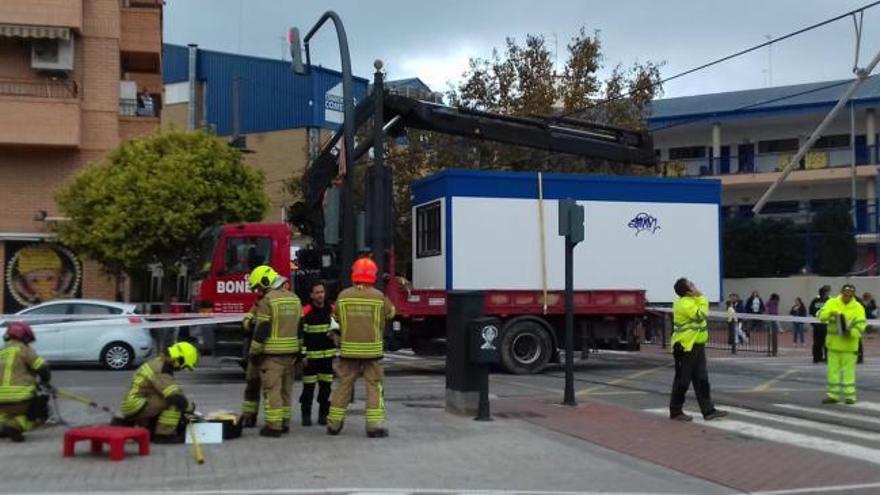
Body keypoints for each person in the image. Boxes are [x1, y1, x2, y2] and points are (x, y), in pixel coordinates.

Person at [326, 258, 396, 437]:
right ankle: (373, 426)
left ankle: (334, 424)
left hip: (348, 350)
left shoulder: (343, 295)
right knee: (374, 386)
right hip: (372, 351)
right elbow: (391, 313)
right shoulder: (378, 296)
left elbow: (335, 319)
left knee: (343, 385)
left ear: (354, 274)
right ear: (373, 275)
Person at [247, 265, 302, 437]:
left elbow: (262, 328)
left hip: (271, 355)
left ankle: (273, 426)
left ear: (265, 281)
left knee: (272, 391)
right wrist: (299, 351)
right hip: (291, 354)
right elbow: (300, 328)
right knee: (286, 390)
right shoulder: (295, 299)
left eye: (258, 287)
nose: (258, 291)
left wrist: (254, 352)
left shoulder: (267, 300)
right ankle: (285, 422)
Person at [116, 341, 199, 444]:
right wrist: (190, 408)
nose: (181, 369)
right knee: (175, 402)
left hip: (135, 403)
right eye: (184, 366)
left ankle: (150, 429)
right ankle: (164, 435)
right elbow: (175, 396)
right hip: (138, 404)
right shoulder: (161, 369)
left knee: (171, 398)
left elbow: (166, 389)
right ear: (179, 360)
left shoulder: (158, 361)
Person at [668, 278, 726, 422]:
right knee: (682, 380)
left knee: (702, 379)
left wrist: (699, 299)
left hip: (697, 345)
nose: (695, 286)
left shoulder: (691, 301)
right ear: (688, 291)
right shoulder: (684, 303)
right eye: (692, 285)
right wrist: (702, 297)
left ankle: (708, 410)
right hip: (685, 346)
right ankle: (675, 411)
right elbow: (701, 315)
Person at [0, 322, 51, 442]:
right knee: (39, 412)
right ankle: (16, 426)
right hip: (21, 398)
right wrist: (44, 382)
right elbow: (42, 368)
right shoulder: (24, 349)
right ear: (24, 336)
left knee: (4, 413)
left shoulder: (1, 351)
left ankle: (3, 427)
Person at [817, 284, 866, 405]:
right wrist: (830, 314)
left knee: (848, 372)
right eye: (845, 294)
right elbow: (820, 315)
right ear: (841, 292)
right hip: (833, 345)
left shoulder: (858, 307)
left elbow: (861, 326)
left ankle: (850, 396)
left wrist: (851, 332)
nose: (847, 296)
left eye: (850, 295)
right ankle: (833, 395)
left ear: (853, 295)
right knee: (833, 372)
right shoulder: (832, 302)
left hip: (849, 346)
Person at [298, 281, 337, 426]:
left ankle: (323, 415)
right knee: (308, 390)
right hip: (311, 359)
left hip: (327, 358)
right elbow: (301, 336)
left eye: (322, 292)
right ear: (311, 295)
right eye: (317, 292)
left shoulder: (331, 309)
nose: (320, 295)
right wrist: (303, 355)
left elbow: (338, 328)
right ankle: (306, 416)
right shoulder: (306, 311)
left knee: (325, 390)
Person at [239, 297, 263, 428]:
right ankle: (249, 416)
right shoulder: (259, 303)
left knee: (266, 387)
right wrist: (248, 323)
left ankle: (273, 420)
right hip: (256, 351)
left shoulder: (268, 302)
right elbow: (247, 322)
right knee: (252, 385)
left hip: (265, 351)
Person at [809, 285, 831, 363]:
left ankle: (827, 358)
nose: (828, 293)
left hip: (827, 325)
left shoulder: (830, 301)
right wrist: (813, 323)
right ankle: (817, 357)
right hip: (817, 326)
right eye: (827, 291)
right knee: (817, 342)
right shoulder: (815, 300)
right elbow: (811, 311)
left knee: (827, 343)